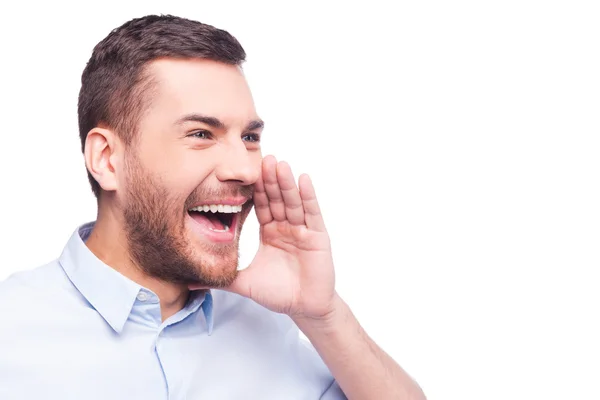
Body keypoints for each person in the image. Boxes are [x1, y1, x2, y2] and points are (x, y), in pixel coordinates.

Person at [0, 14, 425, 400]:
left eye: (250, 138)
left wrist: (323, 314)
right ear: (108, 161)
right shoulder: (12, 332)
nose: (245, 168)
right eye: (201, 134)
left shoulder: (274, 328)